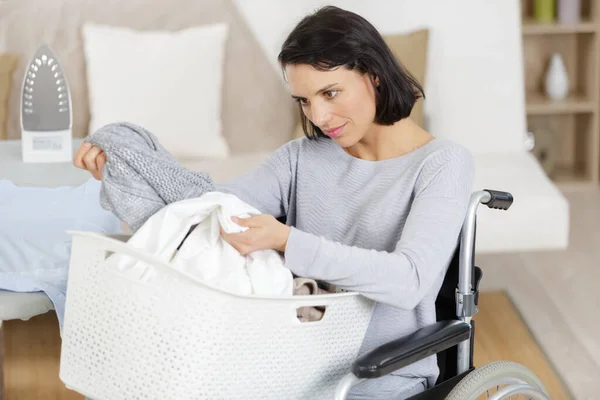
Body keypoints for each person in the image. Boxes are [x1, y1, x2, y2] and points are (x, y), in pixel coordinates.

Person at [74, 5, 475, 399]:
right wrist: (124, 169)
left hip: (378, 376)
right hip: (284, 365)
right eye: (303, 100)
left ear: (374, 77)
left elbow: (409, 281)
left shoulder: (442, 163)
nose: (318, 115)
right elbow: (206, 212)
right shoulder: (300, 157)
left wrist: (287, 242)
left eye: (330, 92)